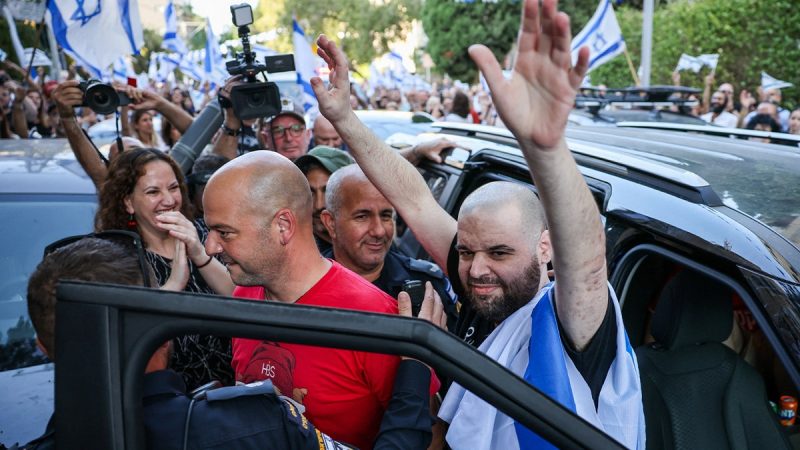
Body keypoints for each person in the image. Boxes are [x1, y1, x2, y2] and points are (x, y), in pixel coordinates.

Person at [308, 0, 645, 447]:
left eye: (500, 252)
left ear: (545, 248)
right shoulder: (480, 280)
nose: (476, 269)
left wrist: (545, 149)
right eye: (467, 251)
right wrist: (345, 119)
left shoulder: (571, 322)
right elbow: (413, 198)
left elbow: (585, 258)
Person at [24, 236, 443, 450]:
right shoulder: (255, 426)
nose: (213, 244)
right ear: (157, 325)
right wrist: (414, 365)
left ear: (44, 347)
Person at [202, 151, 439, 450]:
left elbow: (428, 435)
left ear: (283, 226)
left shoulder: (374, 316)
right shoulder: (246, 295)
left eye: (225, 232)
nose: (210, 246)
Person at [96, 148, 236, 389]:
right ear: (128, 202)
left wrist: (199, 254)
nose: (169, 200)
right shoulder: (119, 259)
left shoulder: (206, 232)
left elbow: (243, 297)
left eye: (173, 188)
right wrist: (174, 284)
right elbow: (130, 336)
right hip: (173, 397)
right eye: (153, 192)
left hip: (235, 386)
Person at [320, 164, 459, 329]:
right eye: (362, 216)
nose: (379, 231)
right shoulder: (307, 285)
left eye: (386, 216)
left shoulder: (428, 286)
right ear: (331, 223)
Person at [294, 145, 355, 254]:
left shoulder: (372, 242)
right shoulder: (295, 251)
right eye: (311, 192)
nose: (319, 205)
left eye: (328, 191)